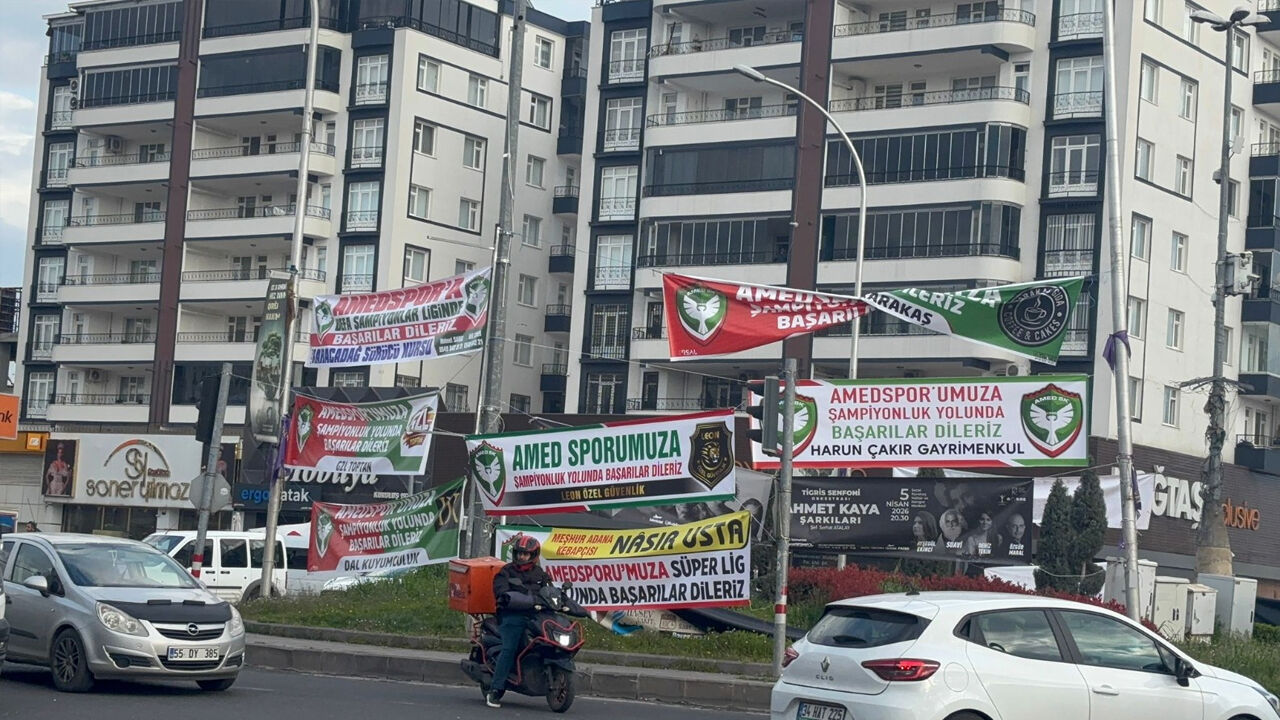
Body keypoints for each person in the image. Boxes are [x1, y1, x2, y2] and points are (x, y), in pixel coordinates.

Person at [487, 534, 552, 708]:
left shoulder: (541, 574)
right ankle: (495, 690)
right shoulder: (507, 571)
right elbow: (500, 590)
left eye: (526, 554)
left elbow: (549, 591)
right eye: (519, 553)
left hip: (536, 616)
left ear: (534, 555)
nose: (522, 557)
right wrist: (509, 597)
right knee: (510, 648)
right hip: (512, 615)